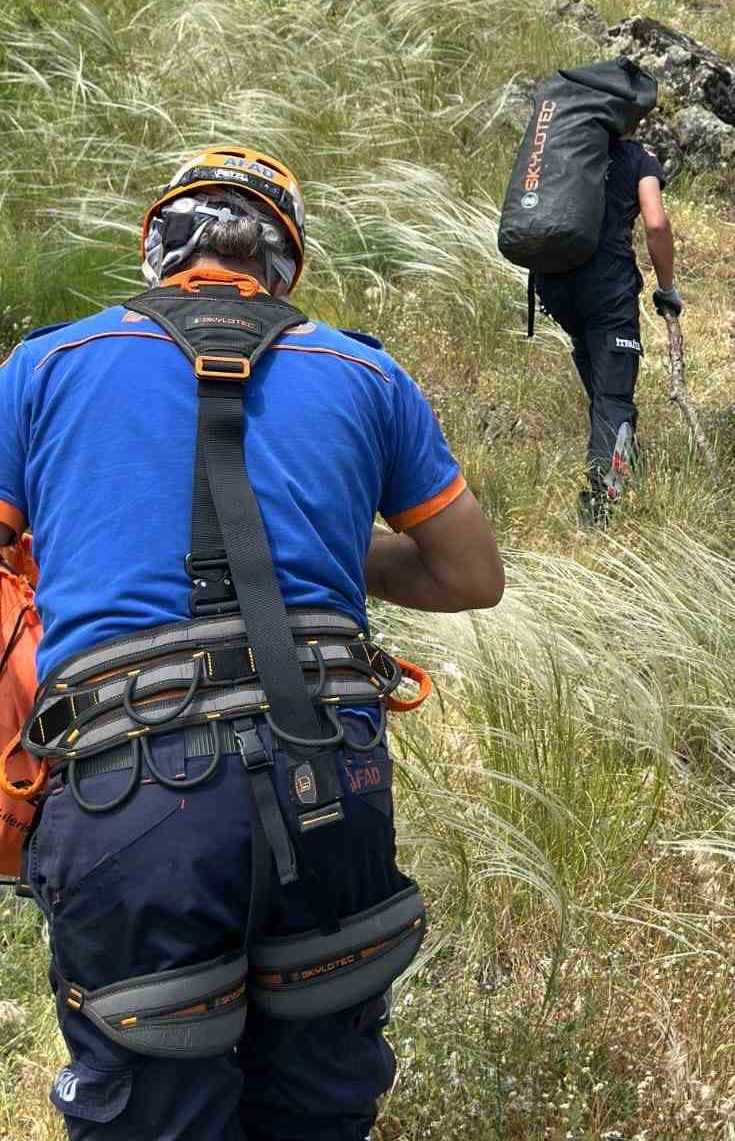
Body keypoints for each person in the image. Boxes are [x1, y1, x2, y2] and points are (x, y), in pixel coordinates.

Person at [0, 146, 504, 1141]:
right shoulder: (364, 370)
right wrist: (294, 554)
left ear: (156, 250)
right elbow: (469, 574)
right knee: (318, 1101)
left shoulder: (44, 366)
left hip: (127, 788)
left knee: (154, 1109)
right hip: (330, 779)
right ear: (286, 264)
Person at [534, 131, 679, 526]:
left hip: (556, 285)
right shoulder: (638, 159)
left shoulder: (563, 147)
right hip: (607, 288)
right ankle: (598, 511)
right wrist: (668, 289)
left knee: (601, 382)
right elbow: (656, 225)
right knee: (614, 396)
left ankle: (625, 458)